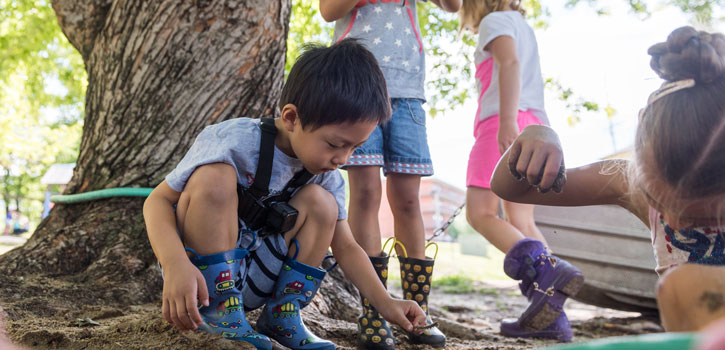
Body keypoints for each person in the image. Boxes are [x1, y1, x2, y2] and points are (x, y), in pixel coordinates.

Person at [143, 39, 426, 350]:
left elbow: (346, 245)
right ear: (291, 118)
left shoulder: (326, 176)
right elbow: (157, 201)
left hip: (259, 277)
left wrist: (385, 303)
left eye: (354, 147)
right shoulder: (232, 142)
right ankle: (220, 313)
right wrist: (174, 265)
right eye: (334, 144)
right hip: (199, 284)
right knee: (214, 175)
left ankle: (282, 315)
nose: (343, 159)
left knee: (322, 203)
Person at [490, 26, 725, 334]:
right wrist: (536, 136)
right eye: (660, 202)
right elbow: (509, 189)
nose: (674, 223)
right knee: (679, 287)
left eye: (701, 217)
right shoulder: (628, 181)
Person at [318, 0, 461, 348]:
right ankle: (374, 313)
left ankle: (418, 314)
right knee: (365, 194)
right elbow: (328, 10)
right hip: (358, 89)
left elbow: (454, 5)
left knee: (409, 200)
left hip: (408, 93)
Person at [456, 0, 582, 342]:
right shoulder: (521, 24)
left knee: (480, 214)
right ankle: (551, 318)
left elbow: (508, 62)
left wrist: (506, 122)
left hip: (506, 123)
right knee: (522, 222)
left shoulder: (494, 20)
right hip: (535, 125)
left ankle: (547, 271)